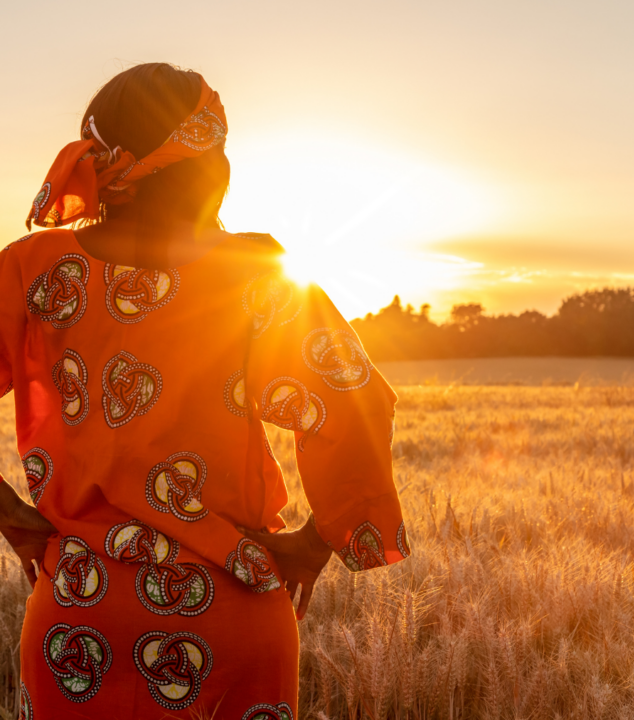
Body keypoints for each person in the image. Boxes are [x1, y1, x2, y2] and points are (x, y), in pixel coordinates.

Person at [0, 63, 410, 719]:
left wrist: (14, 520)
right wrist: (317, 539)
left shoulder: (30, 269)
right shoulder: (254, 275)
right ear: (204, 160)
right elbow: (357, 399)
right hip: (228, 618)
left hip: (78, 613)